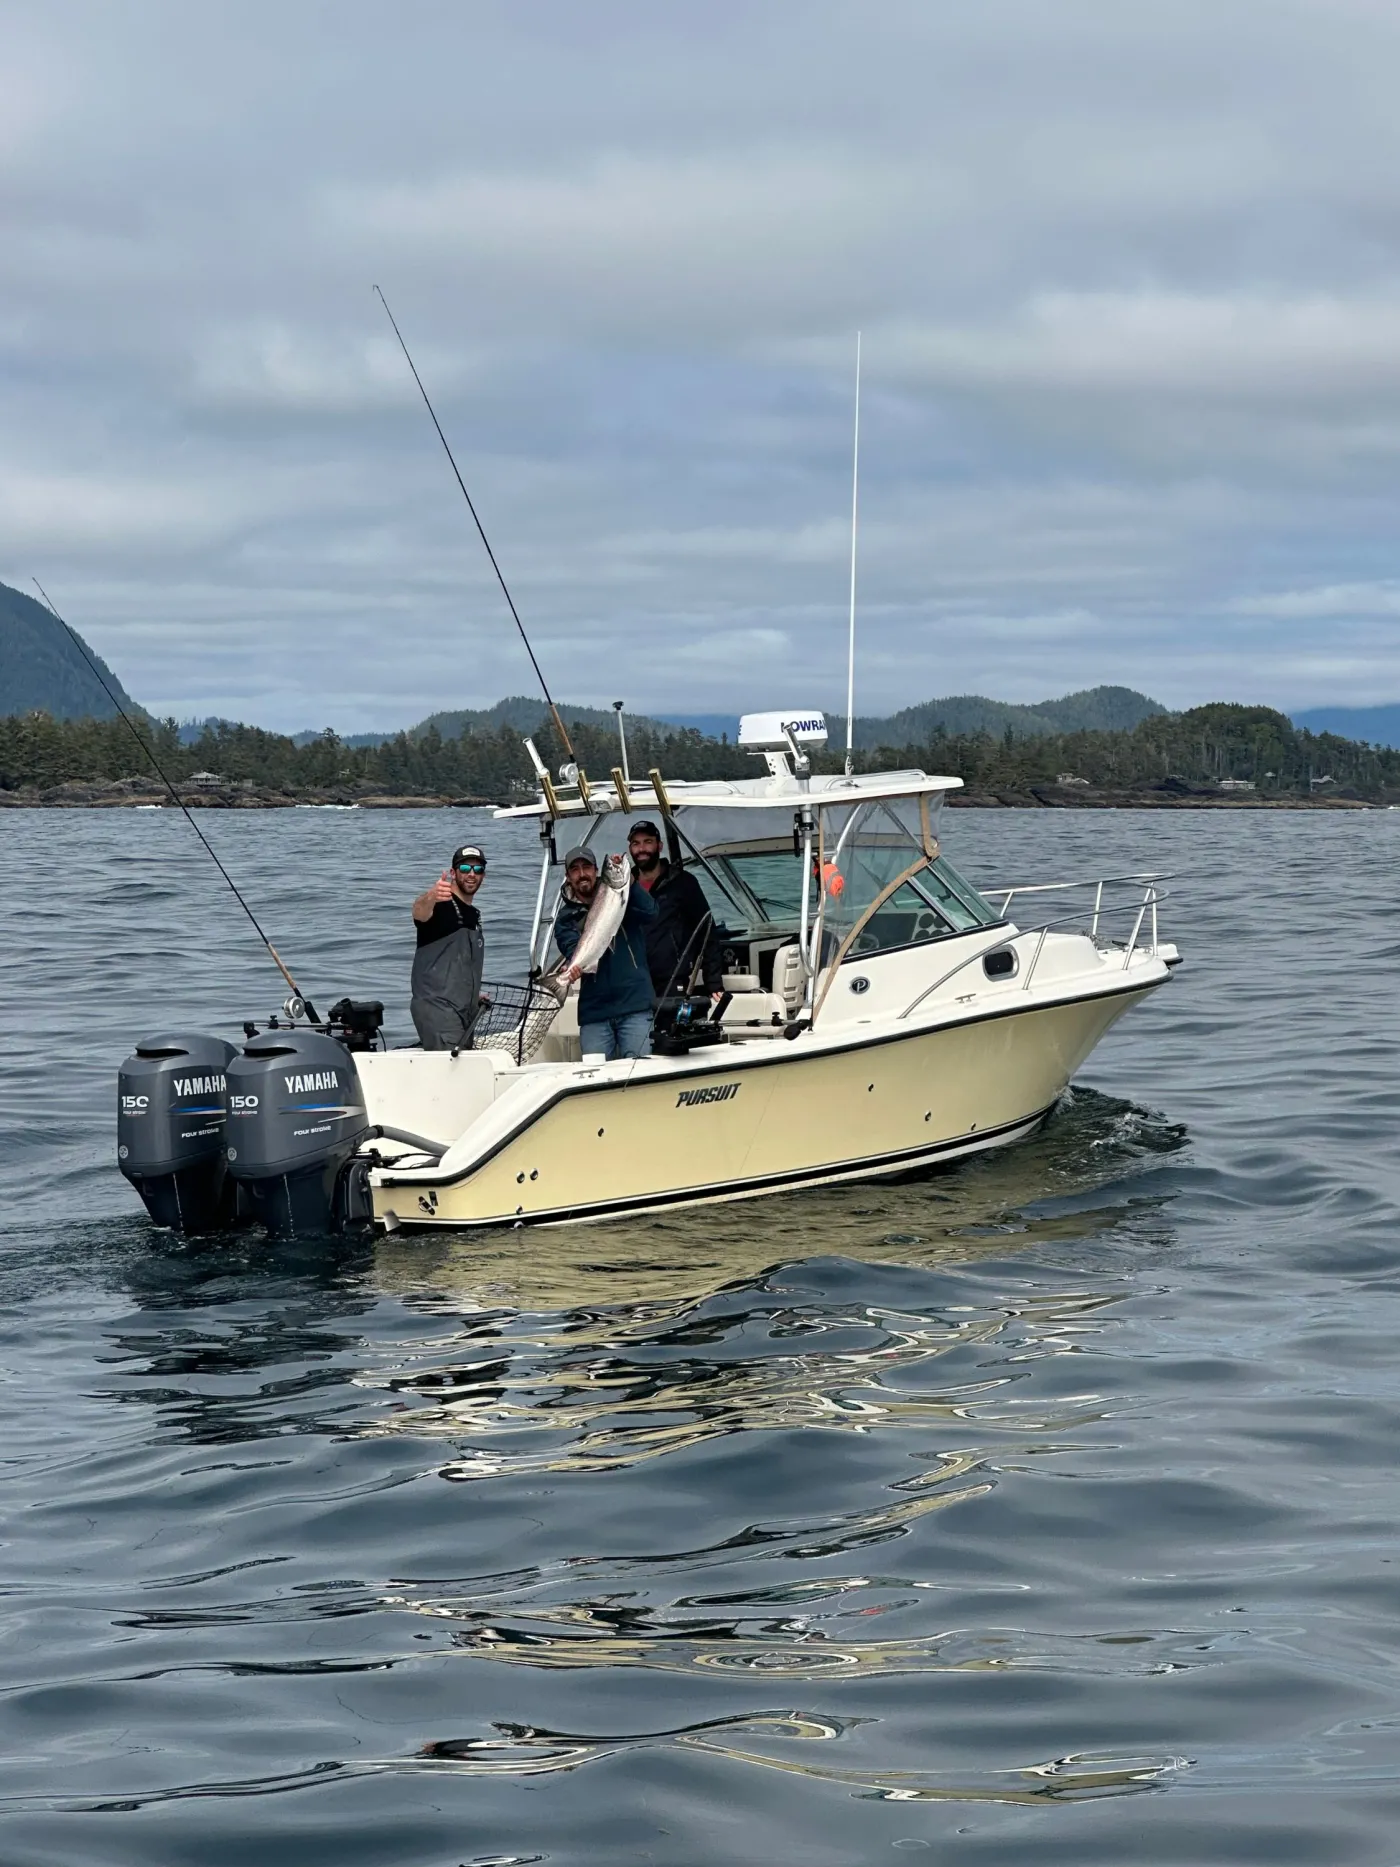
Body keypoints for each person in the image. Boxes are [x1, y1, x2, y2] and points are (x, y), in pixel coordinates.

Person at [553, 845, 658, 1059]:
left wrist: (631, 883)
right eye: (575, 870)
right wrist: (572, 968)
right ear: (568, 876)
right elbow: (572, 948)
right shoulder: (565, 918)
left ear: (596, 871)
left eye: (587, 867)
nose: (582, 874)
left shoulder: (622, 896)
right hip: (595, 1012)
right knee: (595, 1073)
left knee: (640, 1071)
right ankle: (558, 982)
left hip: (634, 1003)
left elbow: (651, 913)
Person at [626, 819, 724, 1002]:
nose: (641, 849)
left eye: (648, 842)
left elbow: (706, 931)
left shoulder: (683, 883)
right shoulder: (623, 887)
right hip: (631, 980)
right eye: (636, 844)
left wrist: (713, 982)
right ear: (630, 849)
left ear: (659, 845)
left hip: (671, 980)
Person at [410, 843, 489, 1050]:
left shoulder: (473, 915)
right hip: (438, 1009)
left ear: (483, 876)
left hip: (464, 1010)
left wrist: (471, 993)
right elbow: (419, 913)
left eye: (477, 869)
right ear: (453, 873)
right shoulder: (440, 905)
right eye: (465, 869)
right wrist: (431, 896)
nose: (471, 874)